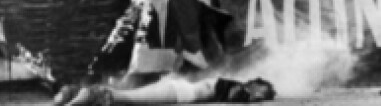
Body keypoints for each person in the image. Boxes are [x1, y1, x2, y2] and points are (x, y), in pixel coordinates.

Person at [53, 76, 275, 105]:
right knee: (120, 99)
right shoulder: (235, 86)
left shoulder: (233, 85)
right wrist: (250, 97)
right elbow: (234, 94)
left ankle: (71, 93)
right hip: (179, 93)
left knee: (125, 99)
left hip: (178, 89)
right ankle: (76, 96)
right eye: (261, 92)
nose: (259, 97)